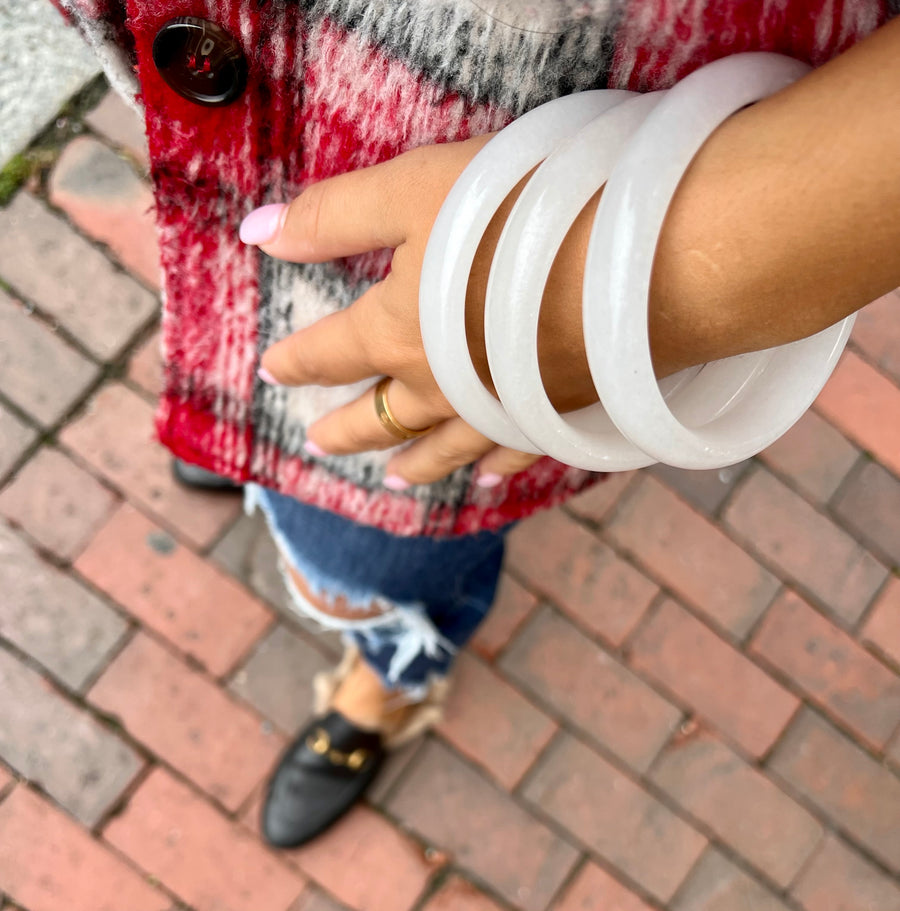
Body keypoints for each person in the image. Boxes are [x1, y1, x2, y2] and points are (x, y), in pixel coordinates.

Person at [56, 0, 900, 847]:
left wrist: (618, 284)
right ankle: (257, 430)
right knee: (269, 352)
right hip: (253, 111)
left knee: (378, 551)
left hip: (517, 240)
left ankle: (392, 678)